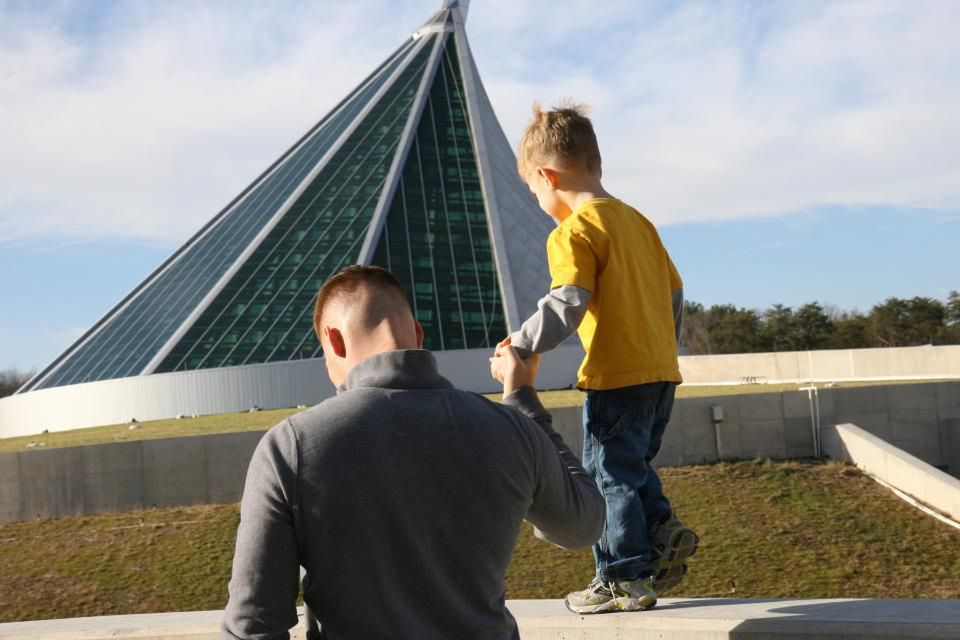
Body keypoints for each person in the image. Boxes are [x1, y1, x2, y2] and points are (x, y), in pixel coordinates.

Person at [221, 265, 604, 640]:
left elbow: (253, 624)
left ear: (334, 341)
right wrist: (523, 404)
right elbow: (583, 525)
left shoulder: (292, 445)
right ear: (418, 335)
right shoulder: (512, 428)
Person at [497, 102, 699, 614]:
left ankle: (620, 578)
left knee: (605, 476)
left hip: (614, 376)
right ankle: (661, 527)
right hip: (660, 374)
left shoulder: (573, 231)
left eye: (533, 189)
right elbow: (675, 294)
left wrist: (521, 344)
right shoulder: (639, 222)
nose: (538, 199)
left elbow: (567, 302)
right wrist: (658, 348)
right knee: (628, 468)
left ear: (546, 175)